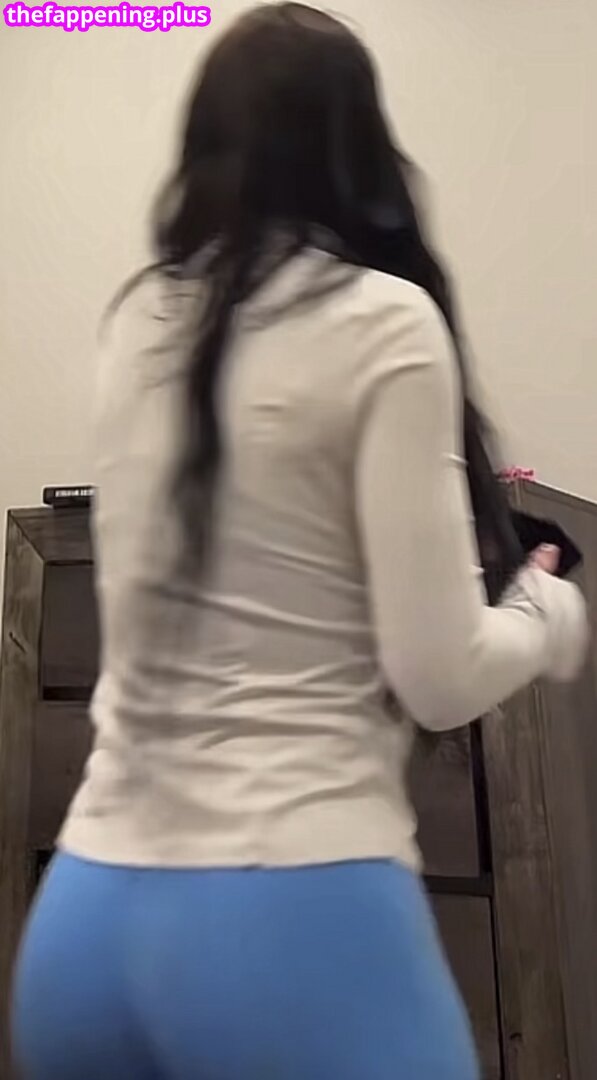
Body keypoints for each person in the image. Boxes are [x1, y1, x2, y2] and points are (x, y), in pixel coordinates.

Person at [12, 5, 588, 1079]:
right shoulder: (384, 320)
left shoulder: (138, 322)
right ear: (359, 153)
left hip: (84, 928)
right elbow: (439, 678)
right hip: (290, 919)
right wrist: (546, 611)